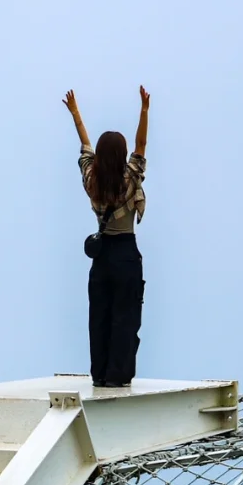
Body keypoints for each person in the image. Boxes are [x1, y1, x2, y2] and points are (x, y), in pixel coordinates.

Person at [63, 87, 150, 388]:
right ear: (122, 155)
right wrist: (144, 110)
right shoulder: (130, 178)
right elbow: (141, 145)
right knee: (125, 317)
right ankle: (118, 375)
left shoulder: (92, 181)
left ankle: (99, 374)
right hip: (126, 253)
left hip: (101, 258)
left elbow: (85, 148)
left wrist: (75, 112)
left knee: (99, 317)